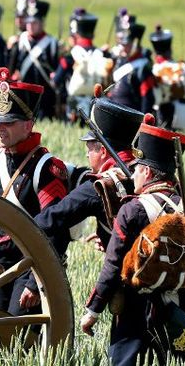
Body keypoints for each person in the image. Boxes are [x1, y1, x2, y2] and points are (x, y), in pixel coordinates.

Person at [80, 120, 185, 365]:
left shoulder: (132, 210)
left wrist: (92, 311)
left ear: (148, 172)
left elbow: (112, 267)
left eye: (138, 167)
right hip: (181, 316)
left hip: (135, 317)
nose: (134, 173)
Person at [0, 67, 69, 315]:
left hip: (30, 266)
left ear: (28, 125)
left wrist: (36, 284)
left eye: (9, 123)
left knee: (16, 335)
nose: (1, 129)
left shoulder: (46, 168)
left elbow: (55, 229)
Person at [34, 96, 145, 262]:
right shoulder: (145, 173)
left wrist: (11, 229)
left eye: (90, 148)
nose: (86, 154)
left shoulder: (100, 185)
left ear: (103, 151)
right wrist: (108, 236)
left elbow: (55, 217)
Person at [54, 8, 112, 122]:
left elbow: (56, 80)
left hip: (74, 110)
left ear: (75, 35)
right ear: (93, 34)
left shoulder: (70, 56)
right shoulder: (102, 54)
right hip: (97, 107)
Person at [10, 0, 61, 119]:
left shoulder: (52, 43)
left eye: (34, 22)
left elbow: (56, 69)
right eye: (28, 22)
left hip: (45, 96)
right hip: (24, 94)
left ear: (42, 23)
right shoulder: (20, 41)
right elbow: (11, 66)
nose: (30, 26)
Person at [149, 25, 185, 131]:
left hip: (161, 116)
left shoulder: (153, 70)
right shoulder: (182, 67)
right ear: (170, 49)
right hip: (184, 115)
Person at [106, 11, 155, 114]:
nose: (122, 47)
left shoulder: (143, 67)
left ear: (135, 43)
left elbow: (147, 98)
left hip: (132, 116)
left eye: (126, 44)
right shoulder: (120, 60)